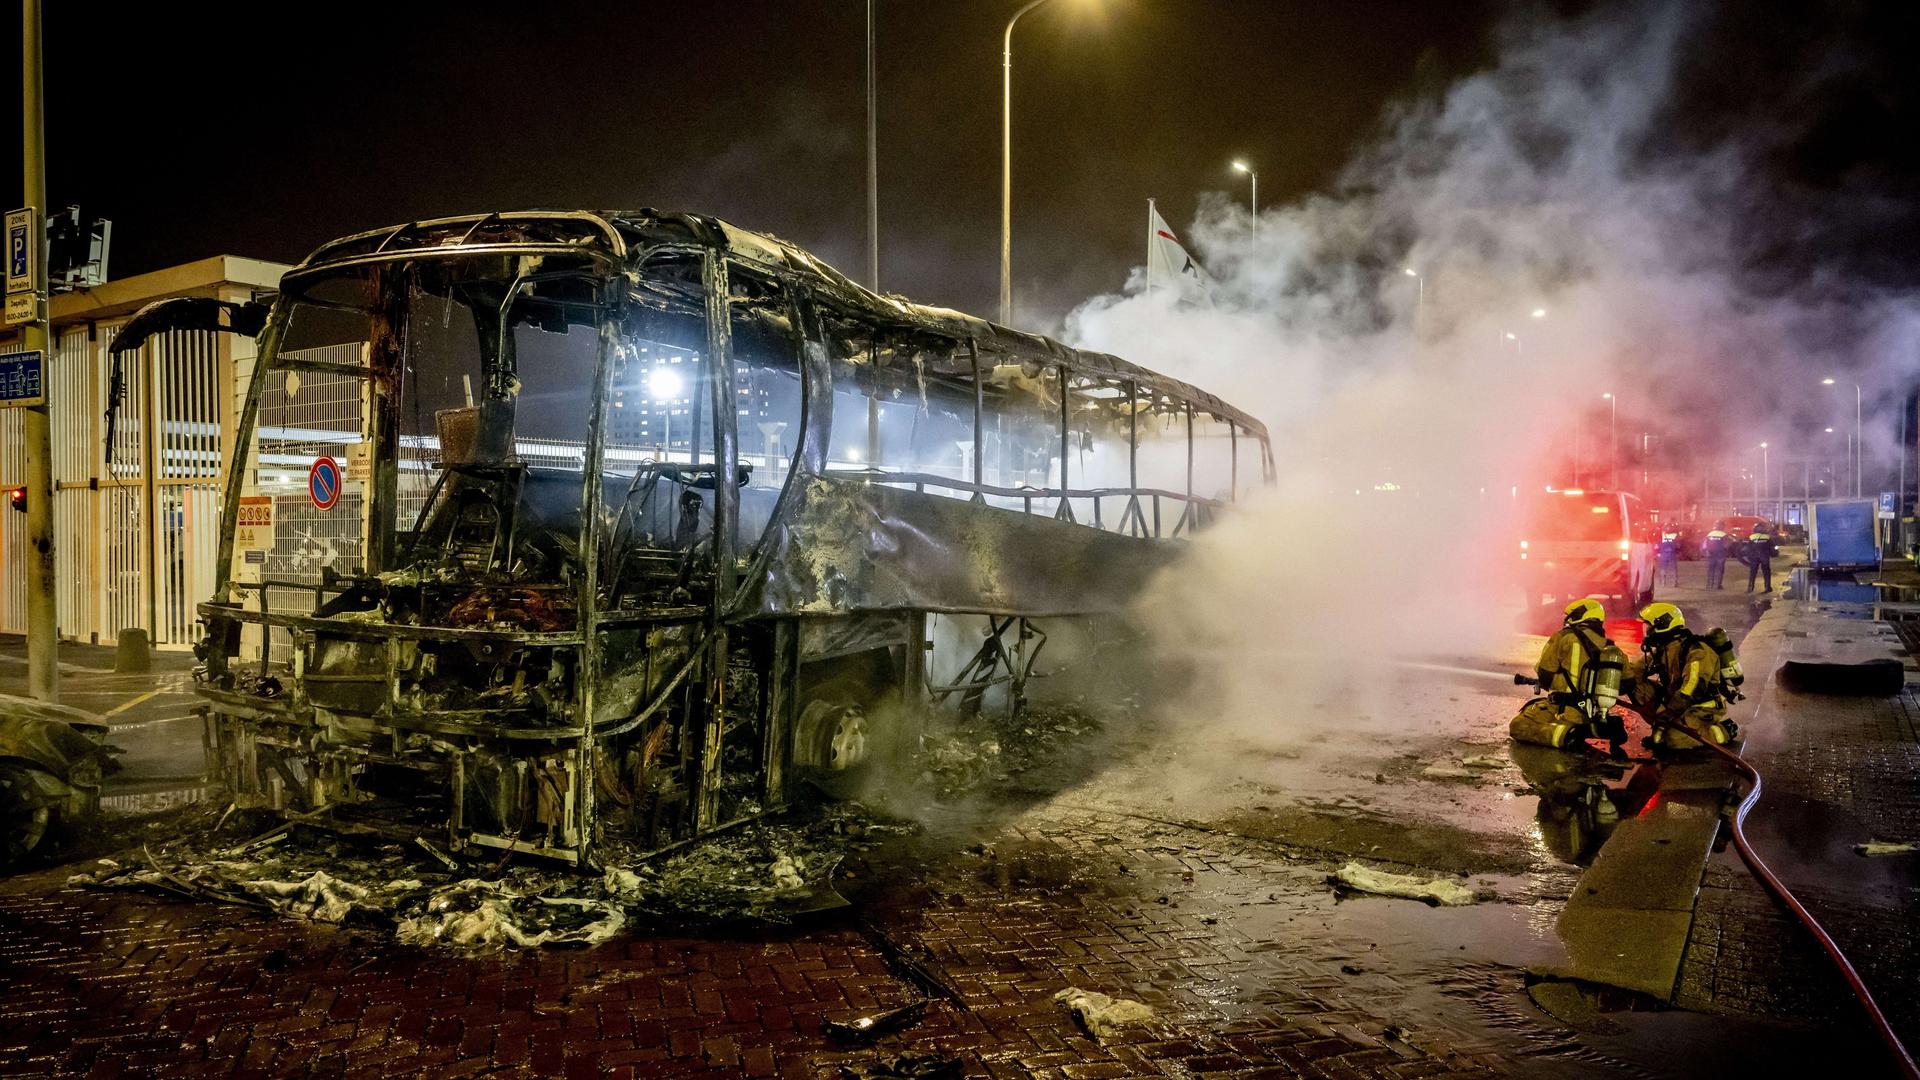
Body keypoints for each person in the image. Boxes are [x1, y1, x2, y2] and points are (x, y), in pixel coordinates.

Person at [1510, 599, 1627, 756]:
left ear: (1579, 615)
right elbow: (1627, 683)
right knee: (1581, 721)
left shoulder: (1563, 637)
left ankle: (1568, 735)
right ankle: (1602, 729)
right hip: (1595, 714)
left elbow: (1545, 676)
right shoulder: (1611, 649)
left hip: (1564, 710)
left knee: (1519, 725)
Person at [1627, 602, 1737, 750]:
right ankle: (1668, 727)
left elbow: (1692, 689)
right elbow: (1635, 671)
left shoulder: (1697, 651)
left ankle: (1722, 731)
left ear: (1662, 625)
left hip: (1700, 707)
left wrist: (1668, 713)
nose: (1646, 631)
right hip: (1677, 702)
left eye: (1648, 626)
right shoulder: (1664, 648)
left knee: (1673, 739)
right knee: (1634, 686)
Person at [1745, 525, 1778, 593]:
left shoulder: (1751, 537)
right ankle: (1767, 587)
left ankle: (1750, 588)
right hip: (1764, 556)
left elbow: (1749, 548)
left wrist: (1749, 556)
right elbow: (1772, 547)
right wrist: (1774, 554)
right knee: (1766, 572)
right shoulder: (1767, 537)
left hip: (1754, 557)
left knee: (1753, 572)